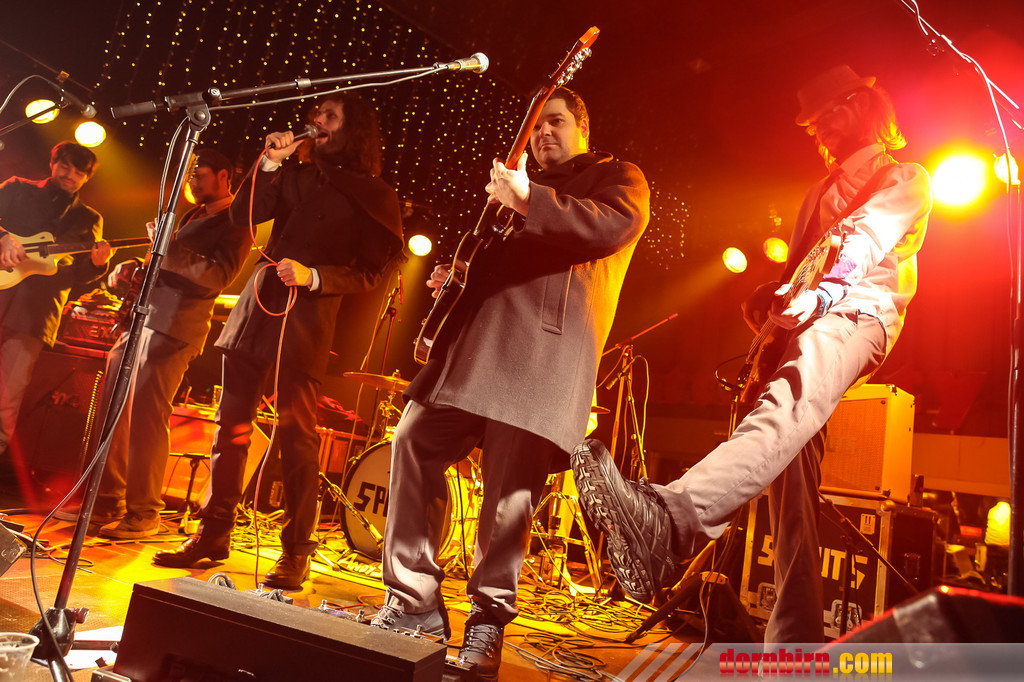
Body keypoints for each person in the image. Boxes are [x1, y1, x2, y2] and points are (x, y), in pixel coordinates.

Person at [571, 65, 932, 644]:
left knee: (787, 408)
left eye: (824, 118)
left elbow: (865, 238)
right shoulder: (817, 191)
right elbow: (800, 270)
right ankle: (795, 642)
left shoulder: (905, 176)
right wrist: (771, 300)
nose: (816, 132)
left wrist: (820, 292)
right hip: (812, 317)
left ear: (858, 107)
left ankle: (672, 525)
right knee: (791, 480)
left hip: (857, 316)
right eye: (810, 124)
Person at [371, 88, 649, 678]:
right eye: (536, 125)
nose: (543, 132)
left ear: (583, 127)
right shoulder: (517, 195)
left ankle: (488, 623)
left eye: (556, 122)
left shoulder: (617, 177)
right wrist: (458, 276)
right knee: (412, 440)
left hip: (541, 357)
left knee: (507, 497)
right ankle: (414, 604)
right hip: (473, 350)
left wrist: (528, 198)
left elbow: (607, 227)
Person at [152, 94, 404, 591]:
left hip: (306, 316)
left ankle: (295, 551)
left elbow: (372, 271)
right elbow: (241, 217)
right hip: (257, 308)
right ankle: (213, 533)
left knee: (297, 438)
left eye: (330, 116)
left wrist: (316, 276)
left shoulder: (373, 193)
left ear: (353, 130)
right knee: (230, 427)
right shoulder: (294, 174)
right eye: (316, 114)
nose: (317, 120)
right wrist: (268, 163)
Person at [76, 148, 251, 539]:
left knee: (146, 418)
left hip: (175, 328)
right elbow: (167, 265)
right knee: (112, 413)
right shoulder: (191, 215)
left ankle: (144, 512)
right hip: (141, 320)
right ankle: (104, 503)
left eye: (199, 174)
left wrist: (167, 245)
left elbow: (217, 276)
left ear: (224, 175)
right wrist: (133, 271)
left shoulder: (238, 220)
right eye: (189, 174)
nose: (191, 181)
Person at [0, 142, 110, 469]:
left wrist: (97, 265)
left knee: (6, 399)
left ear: (87, 178)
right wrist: (3, 237)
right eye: (65, 166)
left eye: (79, 172)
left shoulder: (89, 219)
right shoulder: (17, 188)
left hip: (34, 314)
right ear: (53, 163)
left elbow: (78, 278)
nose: (70, 175)